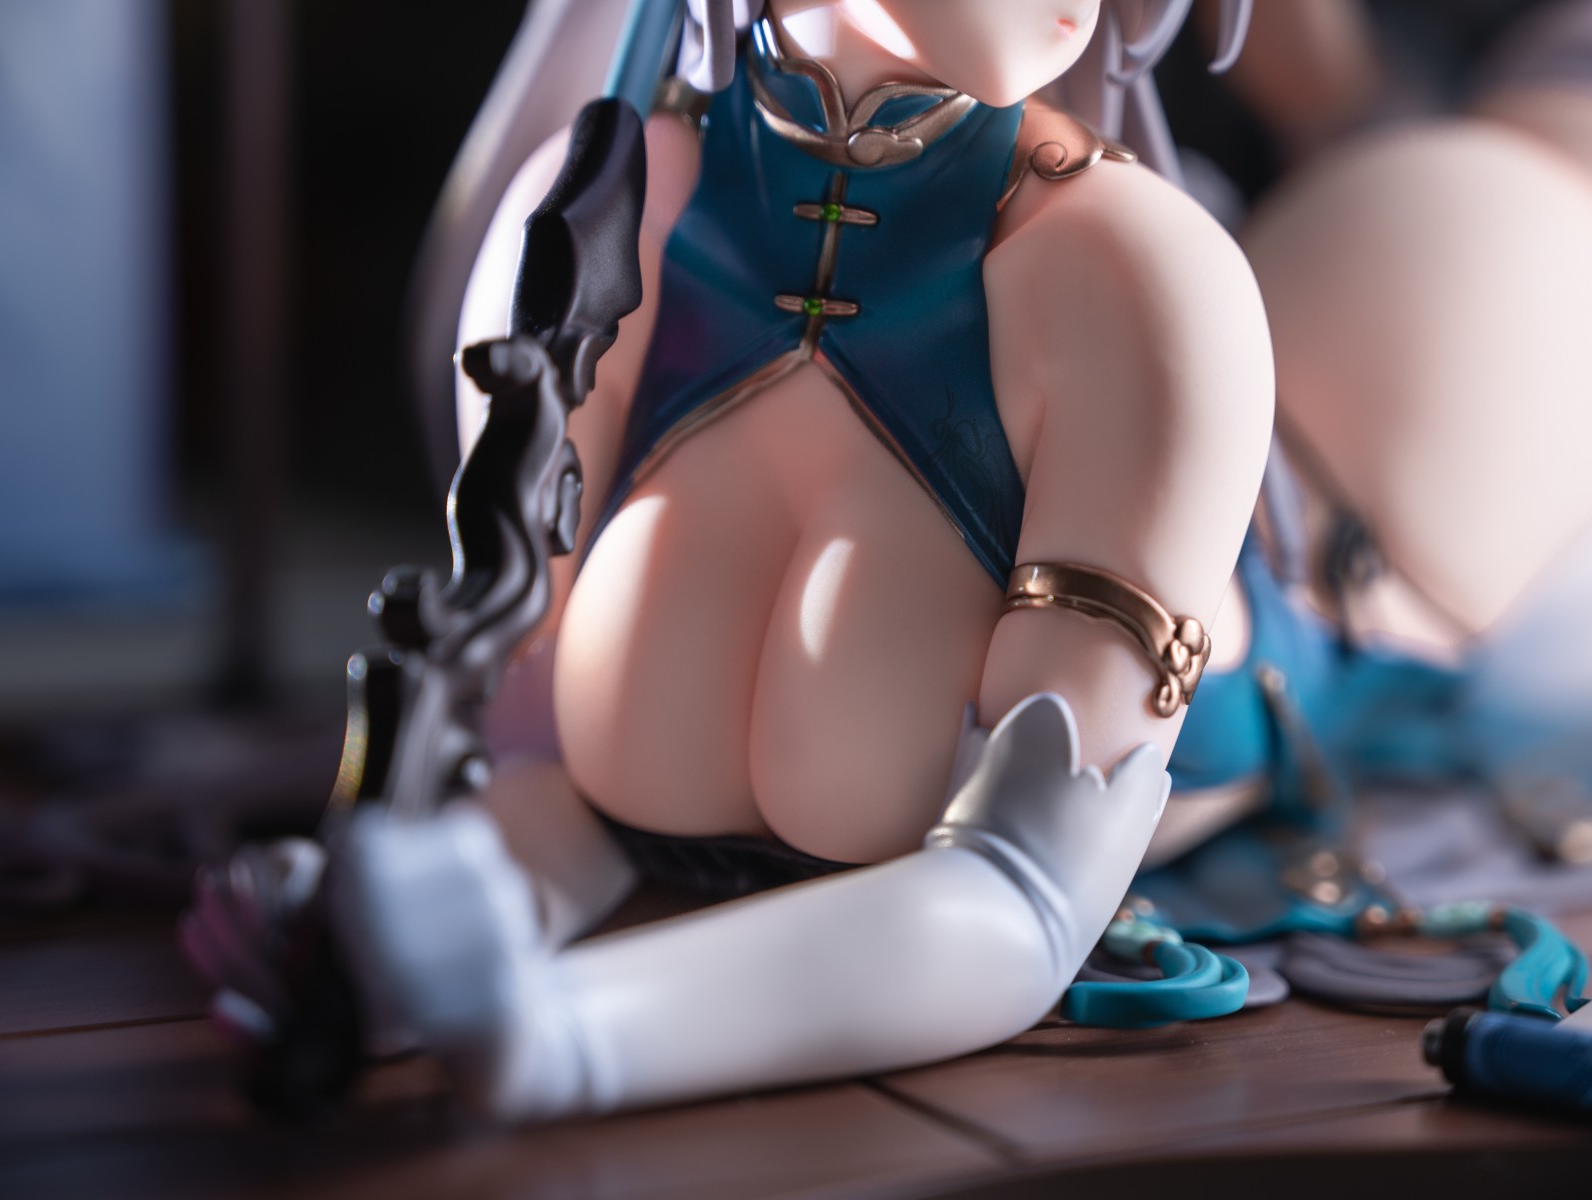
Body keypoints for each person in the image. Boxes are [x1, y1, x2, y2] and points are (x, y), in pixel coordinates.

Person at [331, 0, 1274, 1122]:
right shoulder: (605, 214)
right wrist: (371, 944)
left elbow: (1029, 896)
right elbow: (541, 762)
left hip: (1344, 611)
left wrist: (566, 1034)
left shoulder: (1131, 275)